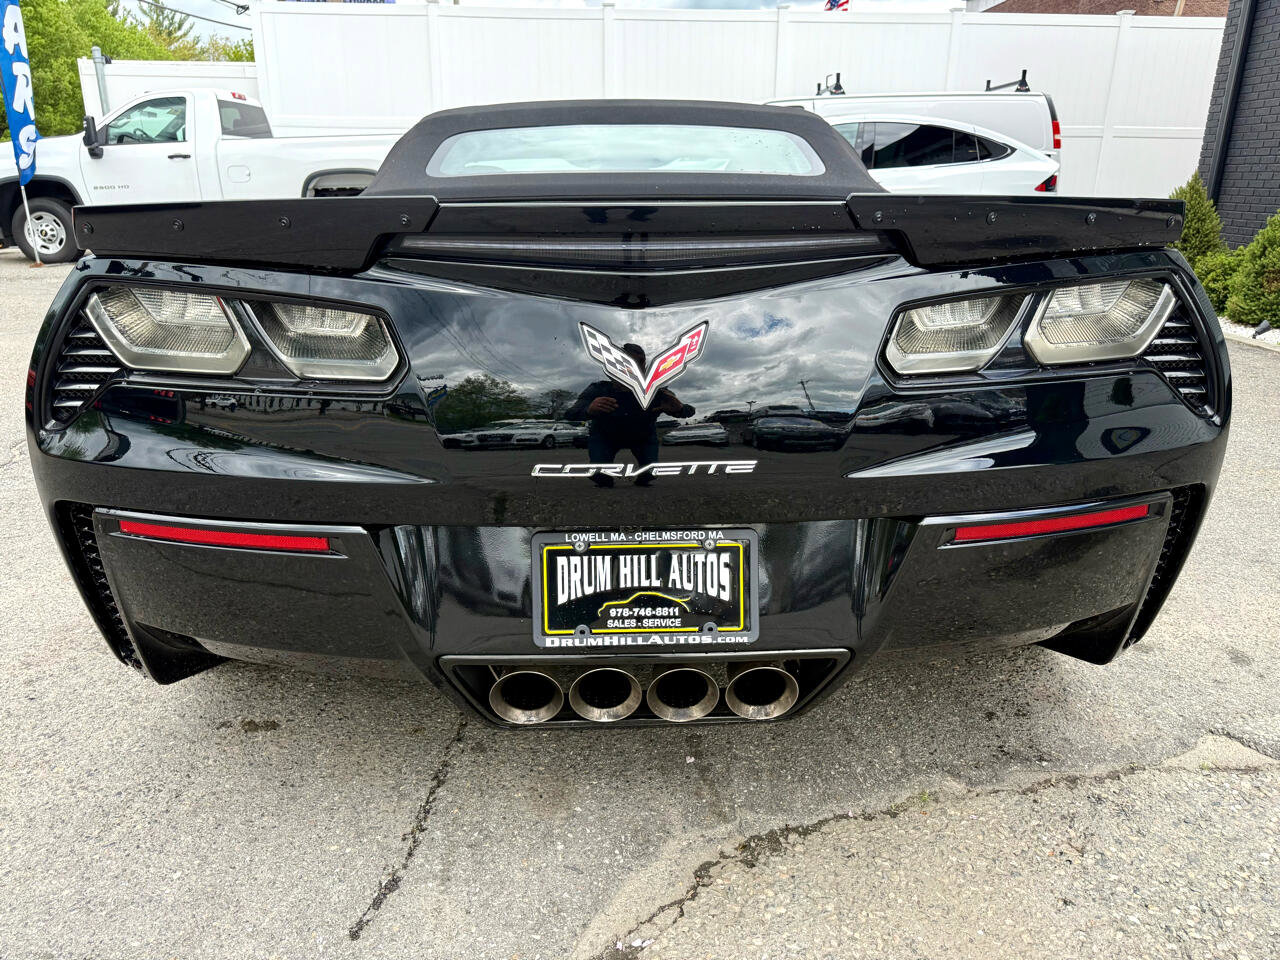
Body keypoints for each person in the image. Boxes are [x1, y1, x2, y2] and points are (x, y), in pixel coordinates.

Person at [565, 342, 695, 486]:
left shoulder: (656, 391)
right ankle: (603, 473)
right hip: (606, 437)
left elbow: (689, 411)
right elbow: (570, 414)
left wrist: (679, 408)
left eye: (639, 363)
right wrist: (589, 409)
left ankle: (644, 473)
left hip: (642, 437)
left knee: (650, 473)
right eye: (627, 362)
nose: (634, 368)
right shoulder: (598, 389)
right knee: (599, 476)